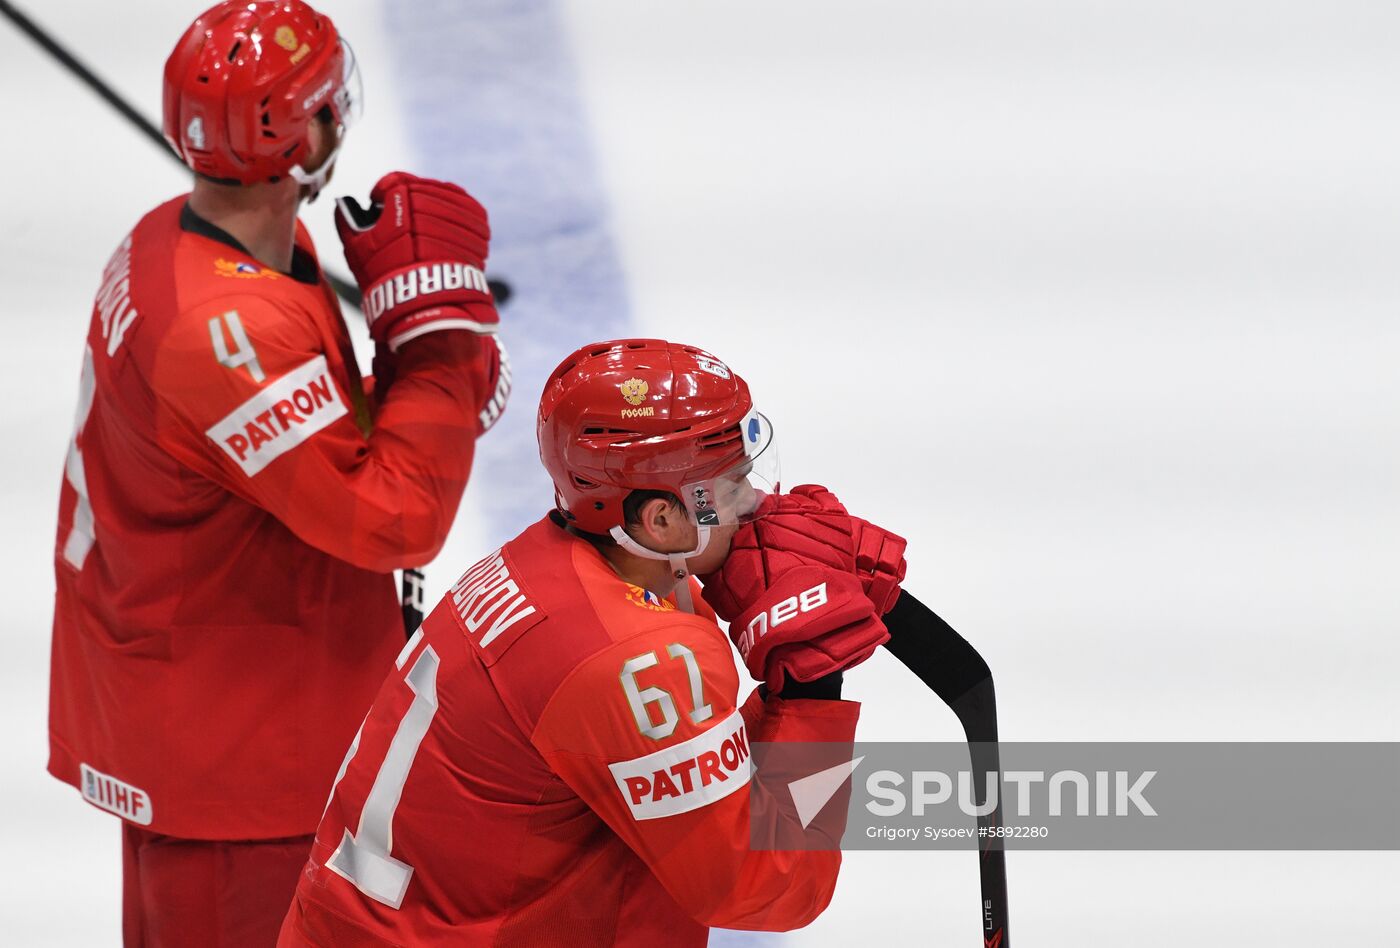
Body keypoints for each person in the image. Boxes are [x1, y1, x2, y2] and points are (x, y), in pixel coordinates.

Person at [47, 2, 509, 943]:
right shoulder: (233, 332)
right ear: (305, 135)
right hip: (239, 750)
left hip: (204, 695)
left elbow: (299, 452)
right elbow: (393, 519)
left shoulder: (202, 247)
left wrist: (429, 387)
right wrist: (437, 357)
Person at [278, 339, 907, 946]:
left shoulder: (554, 559)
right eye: (732, 485)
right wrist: (810, 690)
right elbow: (767, 885)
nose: (754, 503)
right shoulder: (635, 656)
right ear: (661, 520)